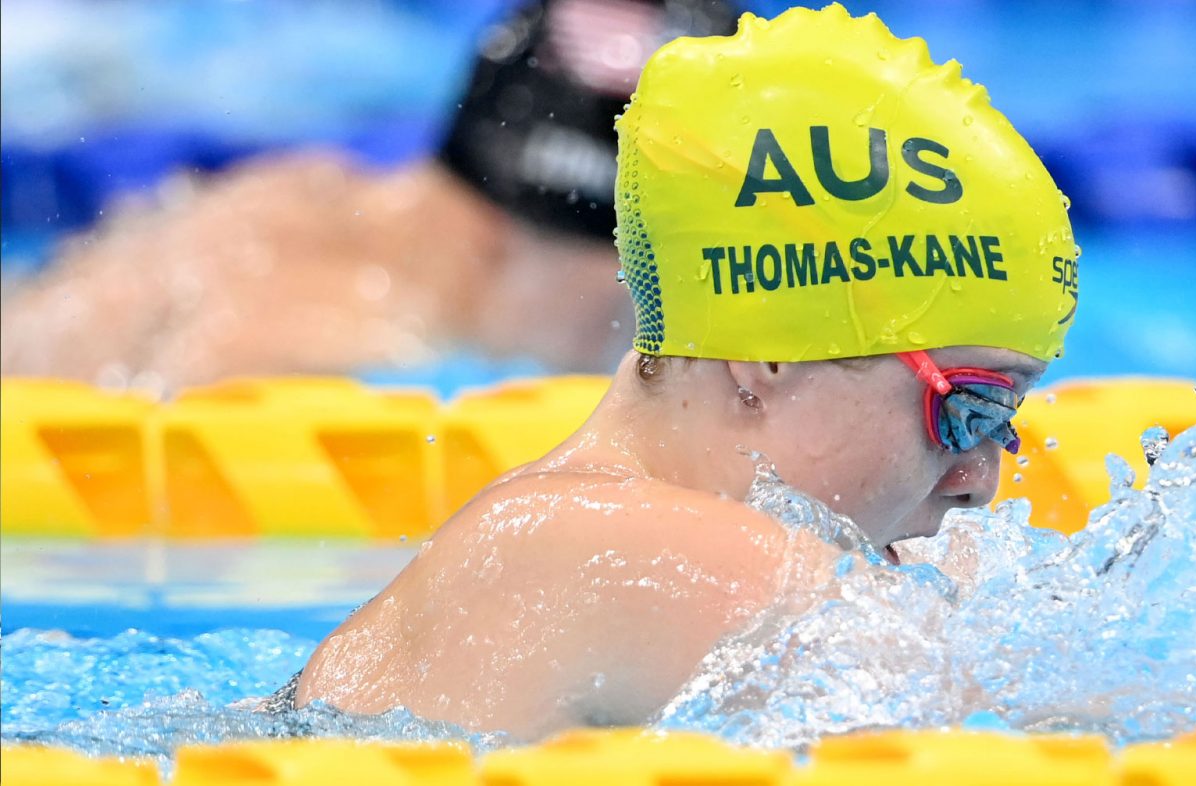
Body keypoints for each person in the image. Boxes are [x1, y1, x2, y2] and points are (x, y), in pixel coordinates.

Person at [287, 4, 1082, 738]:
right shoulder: (590, 546)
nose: (981, 477)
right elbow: (1102, 718)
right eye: (970, 409)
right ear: (769, 354)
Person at [0, 0, 738, 389]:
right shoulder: (330, 340)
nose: (634, 331)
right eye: (641, 287)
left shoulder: (305, 189)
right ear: (512, 238)